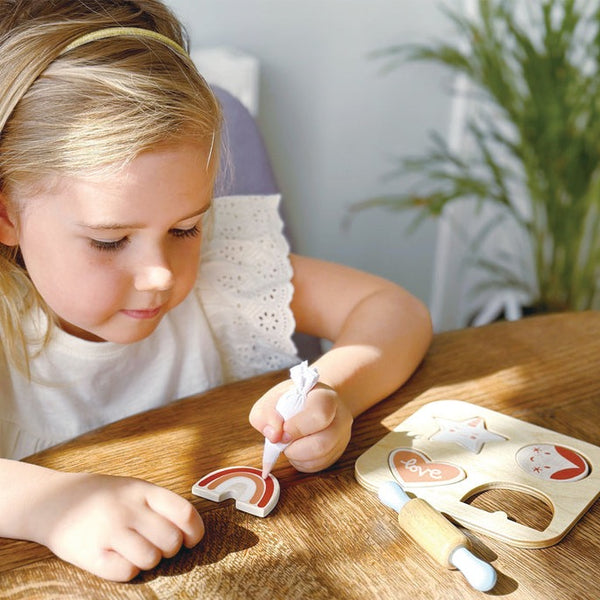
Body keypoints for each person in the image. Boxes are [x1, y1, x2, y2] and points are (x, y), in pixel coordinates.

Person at [0, 0, 433, 583]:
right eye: (109, 241)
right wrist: (46, 504)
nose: (160, 273)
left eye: (185, 228)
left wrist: (336, 391)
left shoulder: (222, 263)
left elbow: (392, 310)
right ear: (7, 216)